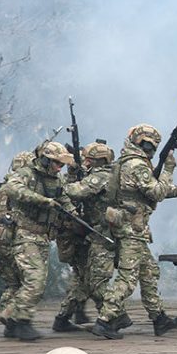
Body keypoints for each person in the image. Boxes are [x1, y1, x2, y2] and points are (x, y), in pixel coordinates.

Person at [92, 124, 177, 339]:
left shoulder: (127, 162)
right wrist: (168, 169)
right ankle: (105, 319)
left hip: (130, 227)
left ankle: (159, 318)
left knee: (148, 273)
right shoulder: (137, 164)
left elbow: (145, 191)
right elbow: (156, 191)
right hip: (132, 229)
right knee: (127, 279)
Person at [2, 142, 76, 340]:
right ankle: (22, 321)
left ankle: (11, 321)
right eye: (56, 164)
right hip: (25, 235)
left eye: (61, 165)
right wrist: (42, 200)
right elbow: (12, 188)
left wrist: (73, 214)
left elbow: (64, 198)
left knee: (36, 281)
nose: (59, 168)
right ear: (45, 159)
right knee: (35, 280)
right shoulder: (27, 174)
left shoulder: (56, 179)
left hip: (43, 237)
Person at [53, 142, 116, 332]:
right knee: (88, 278)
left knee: (83, 278)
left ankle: (64, 317)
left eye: (89, 159)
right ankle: (111, 316)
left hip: (90, 232)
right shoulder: (90, 176)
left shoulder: (100, 177)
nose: (86, 162)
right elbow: (72, 191)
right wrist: (72, 173)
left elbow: (75, 190)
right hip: (82, 232)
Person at [0, 151, 35, 337]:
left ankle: (10, 323)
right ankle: (12, 316)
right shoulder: (13, 188)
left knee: (13, 283)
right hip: (10, 238)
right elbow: (8, 217)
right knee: (27, 280)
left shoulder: (3, 187)